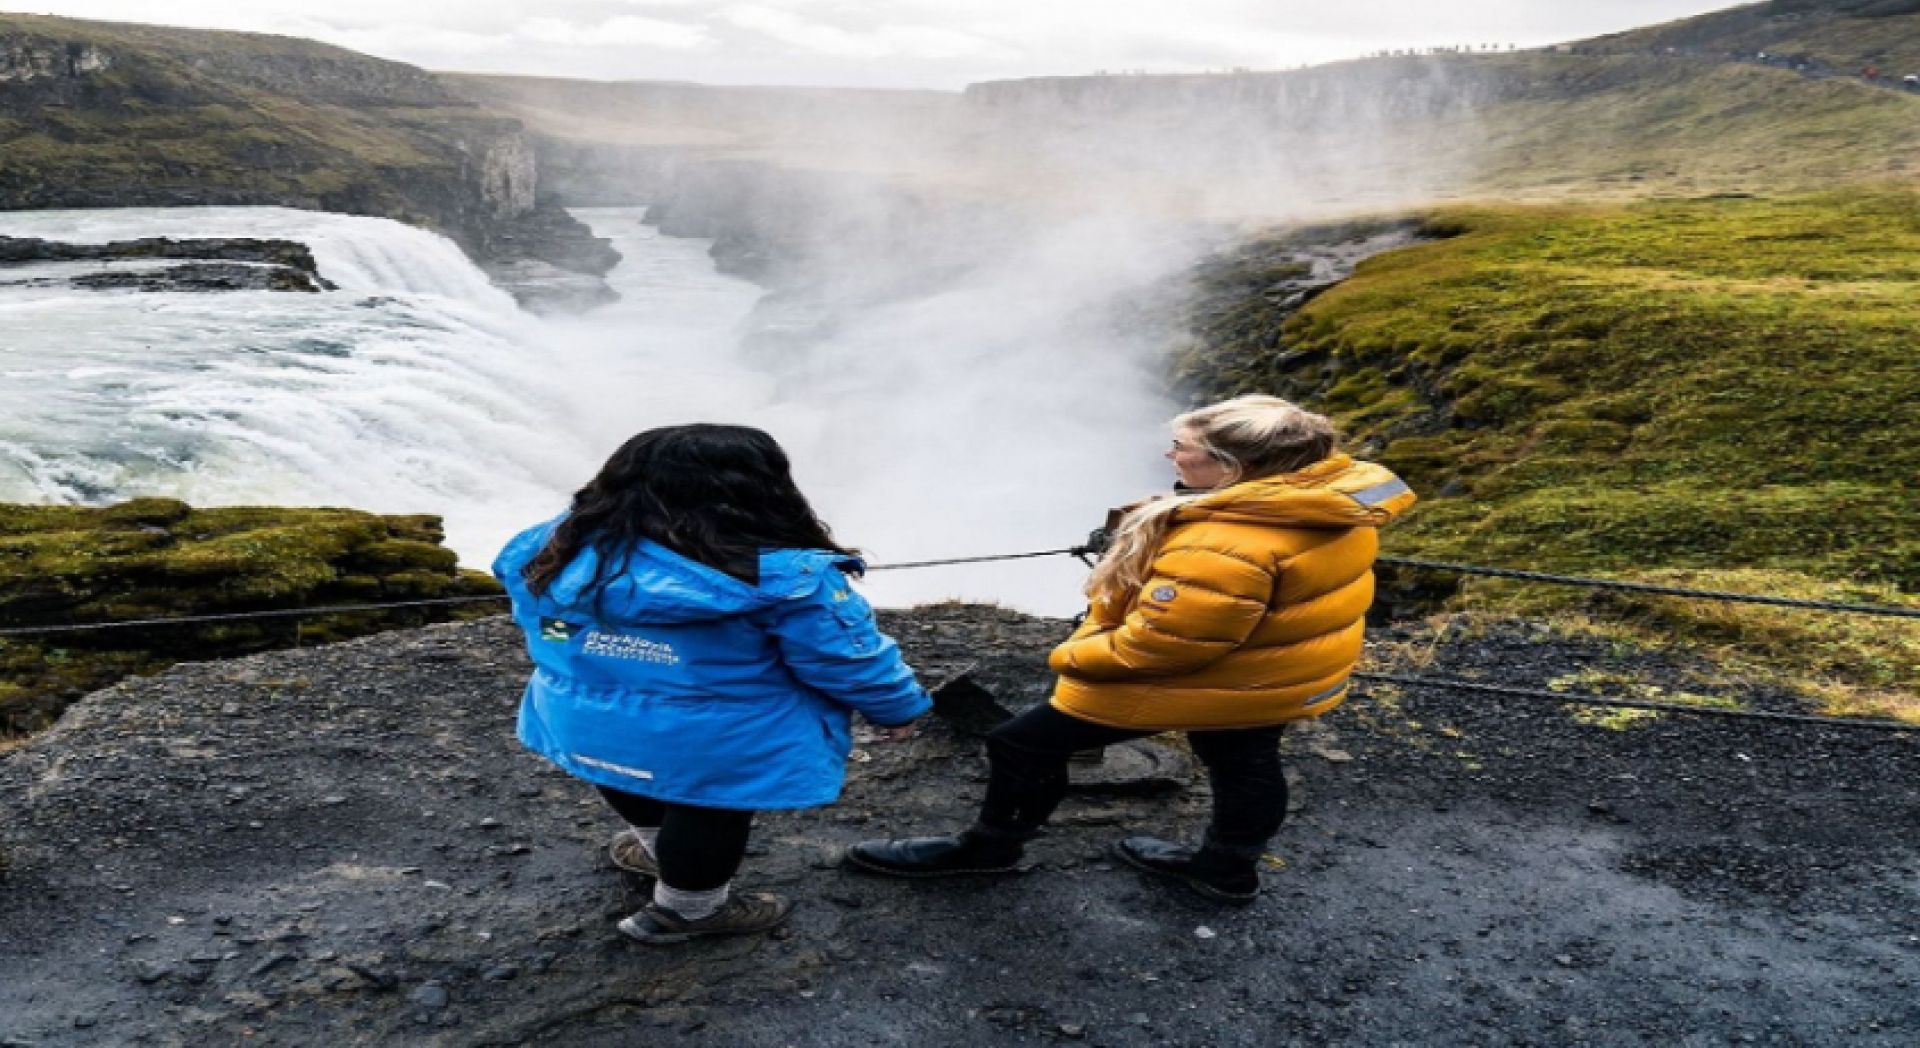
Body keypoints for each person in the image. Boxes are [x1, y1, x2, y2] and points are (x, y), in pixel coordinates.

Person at [844, 395, 1415, 905]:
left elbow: (1160, 647)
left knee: (1020, 744)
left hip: (1223, 676)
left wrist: (1073, 656)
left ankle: (988, 849)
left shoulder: (1225, 544)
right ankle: (1226, 870)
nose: (1170, 457)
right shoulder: (1326, 503)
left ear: (1231, 468)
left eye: (1181, 448)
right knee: (1245, 757)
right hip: (1272, 673)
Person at [494, 424, 929, 943]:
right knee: (710, 811)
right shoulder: (782, 578)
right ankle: (689, 910)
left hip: (581, 718)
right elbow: (846, 658)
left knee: (626, 773)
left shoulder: (551, 549)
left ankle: (658, 851)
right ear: (760, 489)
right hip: (716, 741)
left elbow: (543, 626)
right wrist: (897, 709)